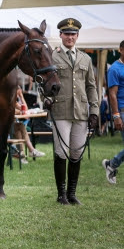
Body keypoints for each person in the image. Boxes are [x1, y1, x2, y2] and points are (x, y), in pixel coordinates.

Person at [50, 18, 98, 205]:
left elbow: (91, 87)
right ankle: (61, 194)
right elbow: (44, 83)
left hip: (81, 111)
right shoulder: (53, 57)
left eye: (73, 34)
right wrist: (46, 100)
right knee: (61, 152)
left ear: (77, 36)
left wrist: (94, 111)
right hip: (60, 109)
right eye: (66, 33)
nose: (69, 37)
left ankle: (72, 193)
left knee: (77, 152)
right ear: (60, 35)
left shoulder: (85, 58)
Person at [102, 40, 124, 185]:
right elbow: (112, 95)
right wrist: (116, 116)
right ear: (121, 50)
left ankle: (112, 164)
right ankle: (112, 164)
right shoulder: (115, 69)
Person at [13, 86, 45, 164]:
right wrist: (18, 112)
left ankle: (22, 155)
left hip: (12, 125)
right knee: (19, 126)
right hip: (1, 126)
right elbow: (9, 110)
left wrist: (21, 96)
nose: (20, 92)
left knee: (19, 128)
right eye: (18, 91)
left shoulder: (14, 100)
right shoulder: (8, 99)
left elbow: (25, 109)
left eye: (20, 90)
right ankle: (31, 151)